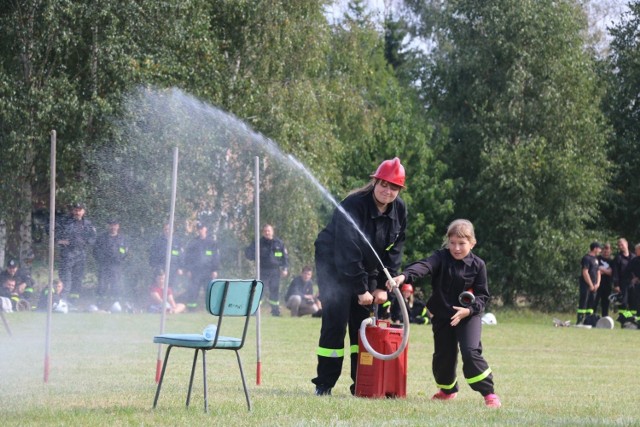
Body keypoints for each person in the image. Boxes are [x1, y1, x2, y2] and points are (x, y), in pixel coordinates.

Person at [312, 157, 407, 396]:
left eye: (394, 187)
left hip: (365, 269)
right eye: (384, 184)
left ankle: (362, 384)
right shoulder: (353, 205)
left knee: (361, 328)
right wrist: (361, 289)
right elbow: (347, 251)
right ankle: (325, 384)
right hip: (334, 265)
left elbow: (394, 250)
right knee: (335, 323)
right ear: (375, 182)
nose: (388, 191)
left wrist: (384, 285)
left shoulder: (400, 211)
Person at [387, 219, 501, 408]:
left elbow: (482, 296)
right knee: (443, 357)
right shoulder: (441, 257)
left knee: (470, 352)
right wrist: (404, 276)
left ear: (472, 243)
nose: (456, 248)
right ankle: (447, 391)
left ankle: (489, 394)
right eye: (452, 243)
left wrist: (469, 310)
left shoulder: (478, 265)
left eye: (462, 243)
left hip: (467, 317)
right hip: (442, 317)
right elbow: (424, 265)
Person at [55, 202, 96, 302]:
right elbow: (55, 233)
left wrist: (86, 242)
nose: (77, 212)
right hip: (68, 254)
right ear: (73, 211)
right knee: (66, 280)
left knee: (77, 279)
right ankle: (62, 301)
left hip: (81, 254)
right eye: (76, 210)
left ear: (83, 211)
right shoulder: (65, 222)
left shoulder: (87, 224)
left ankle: (73, 302)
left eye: (79, 210)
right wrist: (60, 241)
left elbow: (93, 237)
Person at [245, 224, 289, 316]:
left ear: (272, 232)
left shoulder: (279, 243)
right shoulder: (258, 243)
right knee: (260, 290)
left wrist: (285, 268)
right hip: (262, 270)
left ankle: (275, 311)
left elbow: (285, 257)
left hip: (275, 271)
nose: (267, 233)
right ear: (263, 232)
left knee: (274, 290)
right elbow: (249, 254)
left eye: (269, 231)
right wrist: (249, 253)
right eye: (265, 231)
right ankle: (255, 310)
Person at [184, 222, 220, 309]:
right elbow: (188, 257)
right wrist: (188, 270)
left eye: (202, 228)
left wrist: (215, 270)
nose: (200, 230)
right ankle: (191, 309)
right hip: (195, 271)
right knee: (193, 291)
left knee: (208, 291)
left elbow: (215, 257)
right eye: (199, 229)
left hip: (208, 271)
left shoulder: (212, 243)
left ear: (205, 229)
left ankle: (210, 308)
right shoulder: (193, 242)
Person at [93, 219, 128, 308]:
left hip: (116, 265)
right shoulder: (101, 238)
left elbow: (125, 251)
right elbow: (96, 251)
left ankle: (116, 303)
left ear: (118, 226)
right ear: (108, 226)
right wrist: (102, 259)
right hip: (104, 265)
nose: (113, 227)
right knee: (102, 285)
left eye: (115, 225)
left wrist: (120, 258)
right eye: (111, 225)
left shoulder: (122, 238)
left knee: (116, 285)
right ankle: (100, 303)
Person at [148, 222, 185, 291]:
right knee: (159, 285)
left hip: (173, 267)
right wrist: (153, 266)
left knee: (171, 286)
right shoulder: (158, 241)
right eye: (166, 229)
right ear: (163, 230)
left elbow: (181, 255)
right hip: (161, 267)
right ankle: (159, 300)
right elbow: (152, 253)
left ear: (173, 230)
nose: (167, 231)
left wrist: (180, 267)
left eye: (169, 229)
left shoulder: (177, 241)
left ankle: (169, 300)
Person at [611, 237, 635, 324]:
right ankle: (624, 320)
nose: (621, 246)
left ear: (627, 244)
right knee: (623, 303)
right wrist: (616, 284)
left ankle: (632, 321)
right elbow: (615, 272)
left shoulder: (633, 257)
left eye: (622, 244)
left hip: (633, 283)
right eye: (619, 245)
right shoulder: (618, 258)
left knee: (633, 303)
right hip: (622, 283)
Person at [577, 242, 602, 324]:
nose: (600, 250)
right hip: (586, 285)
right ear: (595, 248)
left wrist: (597, 284)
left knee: (591, 304)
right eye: (599, 248)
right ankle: (580, 320)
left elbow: (598, 272)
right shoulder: (586, 258)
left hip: (594, 286)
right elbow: (585, 272)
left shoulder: (596, 259)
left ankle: (589, 320)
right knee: (584, 302)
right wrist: (590, 284)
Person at [593, 243, 613, 317]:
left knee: (605, 303)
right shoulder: (596, 259)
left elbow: (610, 272)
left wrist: (601, 269)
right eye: (604, 248)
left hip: (607, 284)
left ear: (610, 250)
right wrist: (604, 270)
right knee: (594, 302)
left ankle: (605, 318)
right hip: (597, 284)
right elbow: (595, 271)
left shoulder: (612, 261)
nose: (606, 251)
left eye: (608, 249)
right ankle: (591, 317)